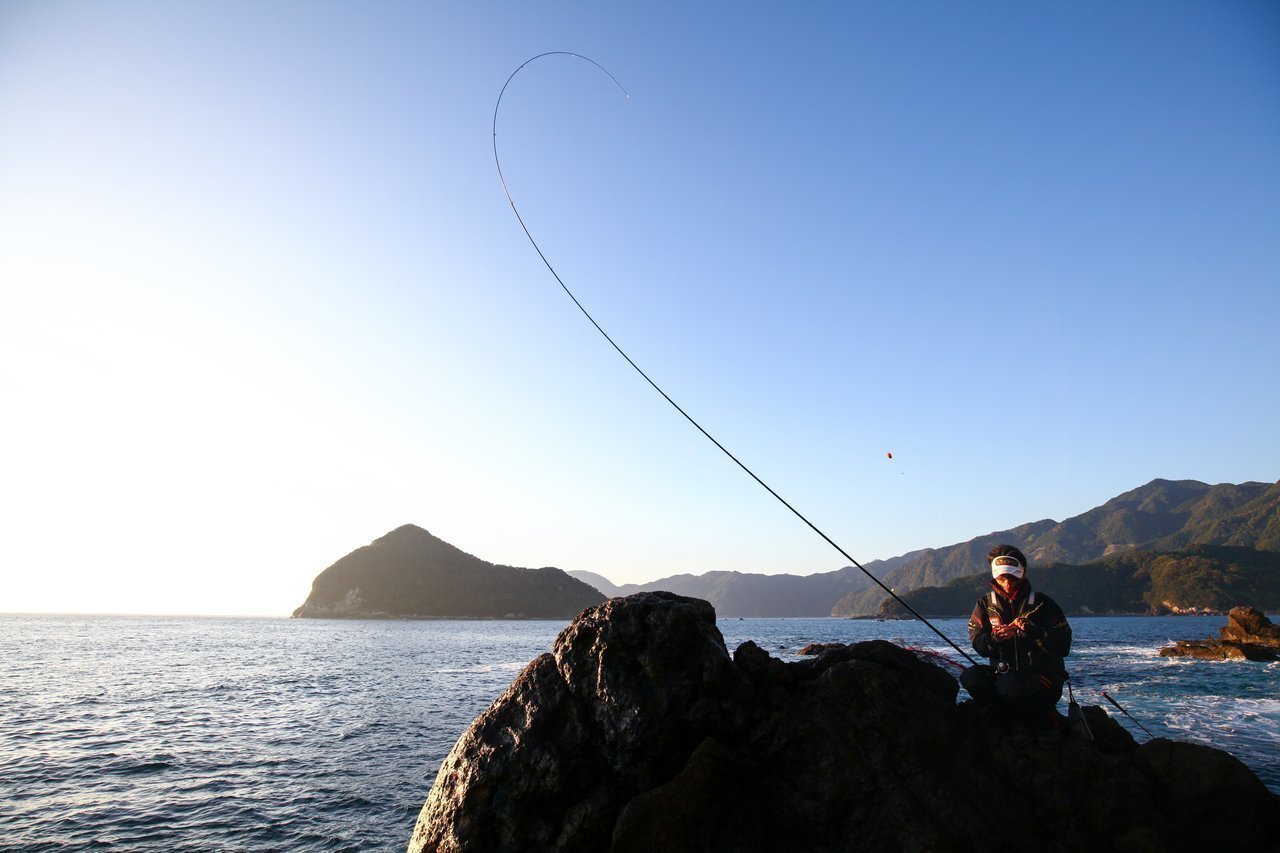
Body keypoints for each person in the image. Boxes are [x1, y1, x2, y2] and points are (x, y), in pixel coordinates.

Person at [960, 544, 1072, 748]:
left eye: (1012, 577)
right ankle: (1008, 719)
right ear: (995, 577)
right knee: (971, 677)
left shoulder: (1042, 603)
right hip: (1004, 676)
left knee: (1009, 685)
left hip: (1042, 681)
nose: (1007, 583)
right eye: (1002, 578)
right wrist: (995, 639)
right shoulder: (985, 604)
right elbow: (978, 642)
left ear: (1023, 574)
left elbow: (1063, 644)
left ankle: (1044, 722)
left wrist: (1034, 631)